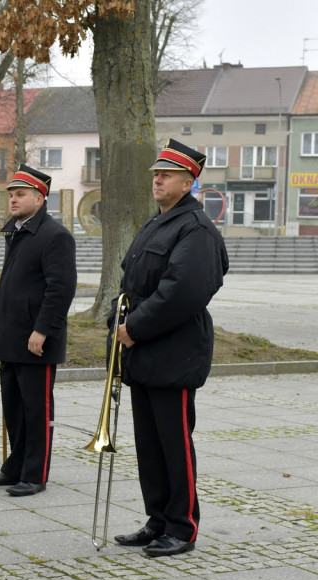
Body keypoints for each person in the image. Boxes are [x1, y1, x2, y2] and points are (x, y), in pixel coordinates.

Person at [112, 139, 228, 558]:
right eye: (156, 173)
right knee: (150, 444)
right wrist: (118, 318)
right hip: (145, 351)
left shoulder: (195, 230)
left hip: (174, 352)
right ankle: (158, 519)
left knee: (175, 445)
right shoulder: (156, 223)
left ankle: (182, 526)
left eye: (167, 174)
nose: (157, 179)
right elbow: (130, 284)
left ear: (188, 181)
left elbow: (183, 293)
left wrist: (135, 328)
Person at [0, 165, 76, 497]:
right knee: (16, 409)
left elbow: (59, 289)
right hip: (12, 336)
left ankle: (35, 474)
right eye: (11, 194)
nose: (13, 199)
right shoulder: (17, 231)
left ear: (40, 197)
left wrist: (44, 330)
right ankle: (15, 467)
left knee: (37, 411)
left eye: (21, 194)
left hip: (36, 339)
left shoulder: (55, 235)